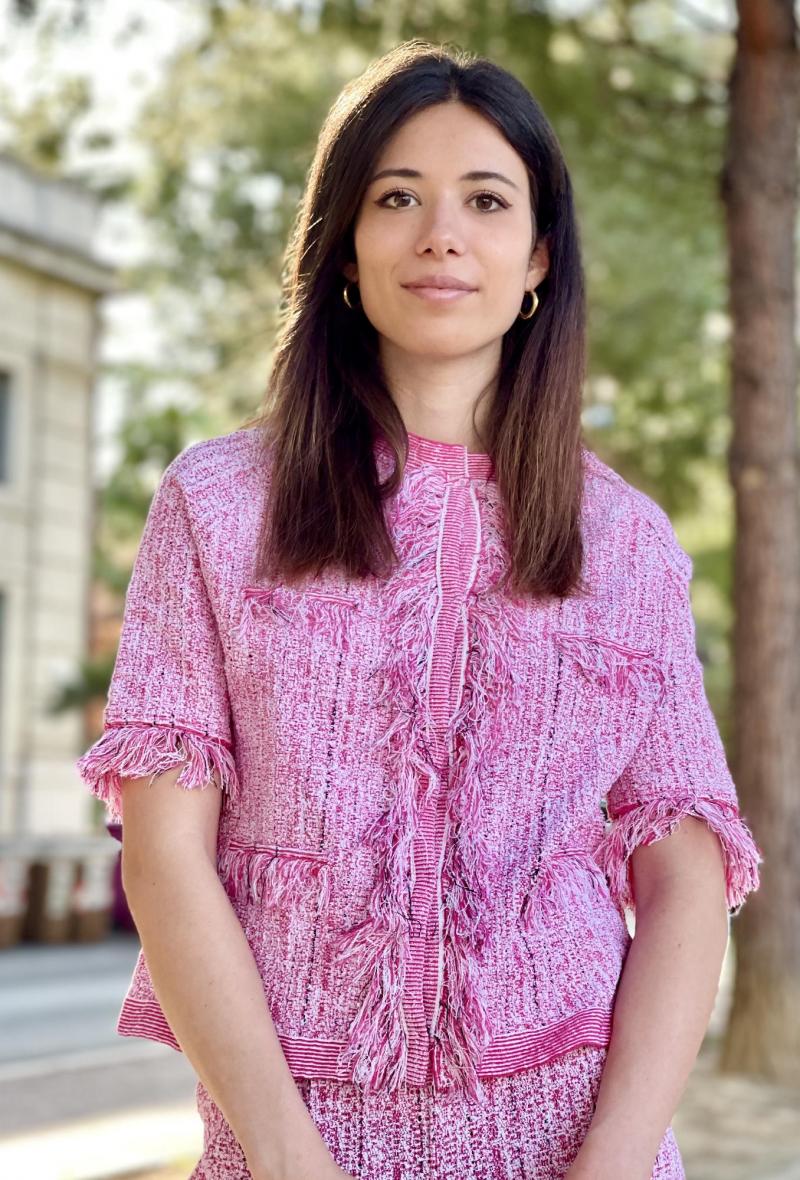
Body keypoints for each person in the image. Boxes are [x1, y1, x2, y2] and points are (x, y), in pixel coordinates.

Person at [76, 37, 763, 1180]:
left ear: (538, 256)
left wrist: (613, 1160)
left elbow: (684, 871)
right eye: (396, 196)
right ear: (344, 243)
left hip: (576, 1144)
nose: (440, 234)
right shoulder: (216, 505)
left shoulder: (629, 543)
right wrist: (288, 1155)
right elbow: (164, 854)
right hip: (293, 1147)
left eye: (485, 200)